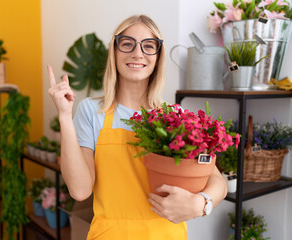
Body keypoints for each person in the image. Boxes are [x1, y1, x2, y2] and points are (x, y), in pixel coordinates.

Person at [48, 14, 227, 240]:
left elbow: (217, 180)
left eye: (148, 46)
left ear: (158, 57)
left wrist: (201, 203)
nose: (137, 53)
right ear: (114, 52)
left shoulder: (175, 117)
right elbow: (80, 190)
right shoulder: (93, 112)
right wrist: (64, 116)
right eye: (127, 44)